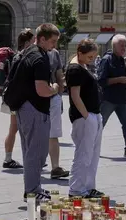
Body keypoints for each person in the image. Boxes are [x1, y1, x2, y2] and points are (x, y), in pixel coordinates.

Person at [14, 23, 61, 201]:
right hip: (35, 109)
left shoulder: (26, 52)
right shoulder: (40, 58)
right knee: (37, 153)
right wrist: (55, 88)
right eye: (53, 41)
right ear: (42, 39)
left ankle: (32, 189)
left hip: (22, 107)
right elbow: (42, 89)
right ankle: (33, 191)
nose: (54, 46)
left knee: (29, 151)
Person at [66, 39, 104, 198]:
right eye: (90, 57)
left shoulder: (82, 66)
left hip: (93, 114)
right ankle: (76, 189)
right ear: (79, 53)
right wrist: (87, 116)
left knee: (93, 154)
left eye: (94, 56)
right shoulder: (75, 69)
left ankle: (88, 186)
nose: (92, 60)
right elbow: (75, 96)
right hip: (85, 116)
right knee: (84, 154)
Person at [99, 35, 126, 158]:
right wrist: (119, 79)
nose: (124, 48)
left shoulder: (121, 60)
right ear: (114, 46)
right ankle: (91, 147)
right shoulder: (106, 60)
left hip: (123, 98)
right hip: (109, 99)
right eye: (122, 45)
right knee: (100, 124)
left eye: (125, 45)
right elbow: (101, 81)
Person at [2, 28, 35, 170]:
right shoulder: (22, 56)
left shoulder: (16, 55)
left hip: (11, 96)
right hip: (17, 98)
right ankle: (14, 158)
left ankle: (9, 158)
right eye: (33, 41)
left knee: (14, 128)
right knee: (17, 129)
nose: (35, 43)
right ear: (27, 42)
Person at [47, 48, 70, 179]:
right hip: (41, 100)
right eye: (53, 40)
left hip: (51, 98)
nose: (55, 44)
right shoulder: (33, 51)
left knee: (53, 134)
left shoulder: (54, 53)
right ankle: (50, 166)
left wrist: (59, 96)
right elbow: (59, 76)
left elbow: (60, 75)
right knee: (47, 134)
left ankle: (55, 167)